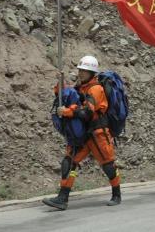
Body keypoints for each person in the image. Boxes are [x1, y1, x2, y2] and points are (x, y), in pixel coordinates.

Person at [43, 56, 121, 210]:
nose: (81, 73)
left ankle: (116, 194)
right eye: (80, 70)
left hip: (98, 133)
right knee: (69, 162)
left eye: (85, 71)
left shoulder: (96, 89)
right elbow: (65, 95)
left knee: (108, 165)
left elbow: (86, 113)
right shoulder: (81, 87)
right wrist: (61, 83)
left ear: (93, 73)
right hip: (84, 133)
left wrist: (66, 112)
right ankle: (62, 198)